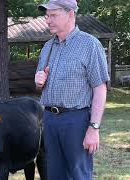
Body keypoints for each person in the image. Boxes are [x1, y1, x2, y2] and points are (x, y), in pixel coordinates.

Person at [34, 0, 110, 179]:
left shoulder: (89, 45)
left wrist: (94, 128)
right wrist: (39, 83)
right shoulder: (47, 47)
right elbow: (40, 88)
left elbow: (100, 89)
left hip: (77, 121)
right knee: (54, 175)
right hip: (50, 120)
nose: (48, 20)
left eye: (53, 15)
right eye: (47, 16)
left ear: (70, 14)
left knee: (79, 175)